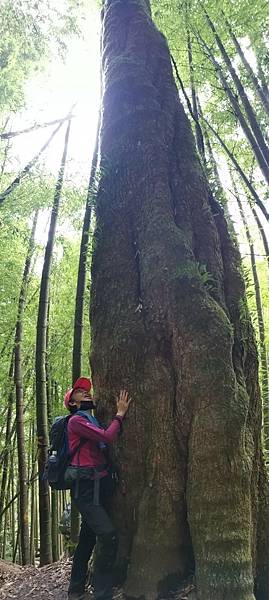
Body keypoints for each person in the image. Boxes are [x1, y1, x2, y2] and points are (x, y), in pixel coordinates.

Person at [64, 376, 131, 600]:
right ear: (72, 403)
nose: (86, 392)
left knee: (87, 538)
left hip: (97, 486)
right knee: (108, 535)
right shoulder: (76, 421)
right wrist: (120, 414)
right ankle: (102, 593)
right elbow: (108, 437)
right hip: (85, 489)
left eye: (86, 390)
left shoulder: (90, 420)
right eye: (79, 391)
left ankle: (75, 589)